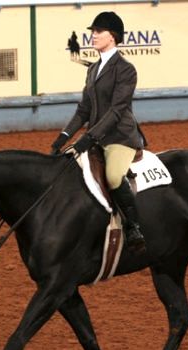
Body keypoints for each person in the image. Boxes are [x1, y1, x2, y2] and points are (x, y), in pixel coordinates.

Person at [51, 11, 147, 253]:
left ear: (112, 37)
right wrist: (64, 136)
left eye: (98, 32)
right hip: (95, 136)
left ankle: (134, 227)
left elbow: (116, 111)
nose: (92, 36)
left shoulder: (126, 70)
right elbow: (84, 109)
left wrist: (89, 137)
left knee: (114, 176)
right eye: (92, 32)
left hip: (120, 137)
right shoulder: (93, 69)